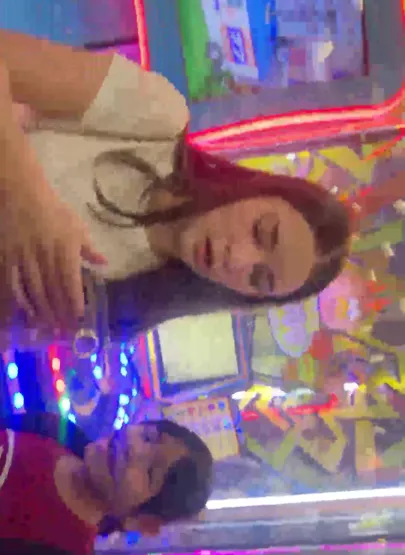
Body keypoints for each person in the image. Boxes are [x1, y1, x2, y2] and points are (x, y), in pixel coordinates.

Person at [0, 30, 351, 346]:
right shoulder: (157, 120)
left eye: (258, 278)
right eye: (260, 232)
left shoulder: (128, 305)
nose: (237, 258)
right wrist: (24, 193)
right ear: (256, 190)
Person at [0, 411, 213, 555]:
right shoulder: (57, 431)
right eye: (148, 436)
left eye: (150, 472)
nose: (134, 449)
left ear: (142, 522)